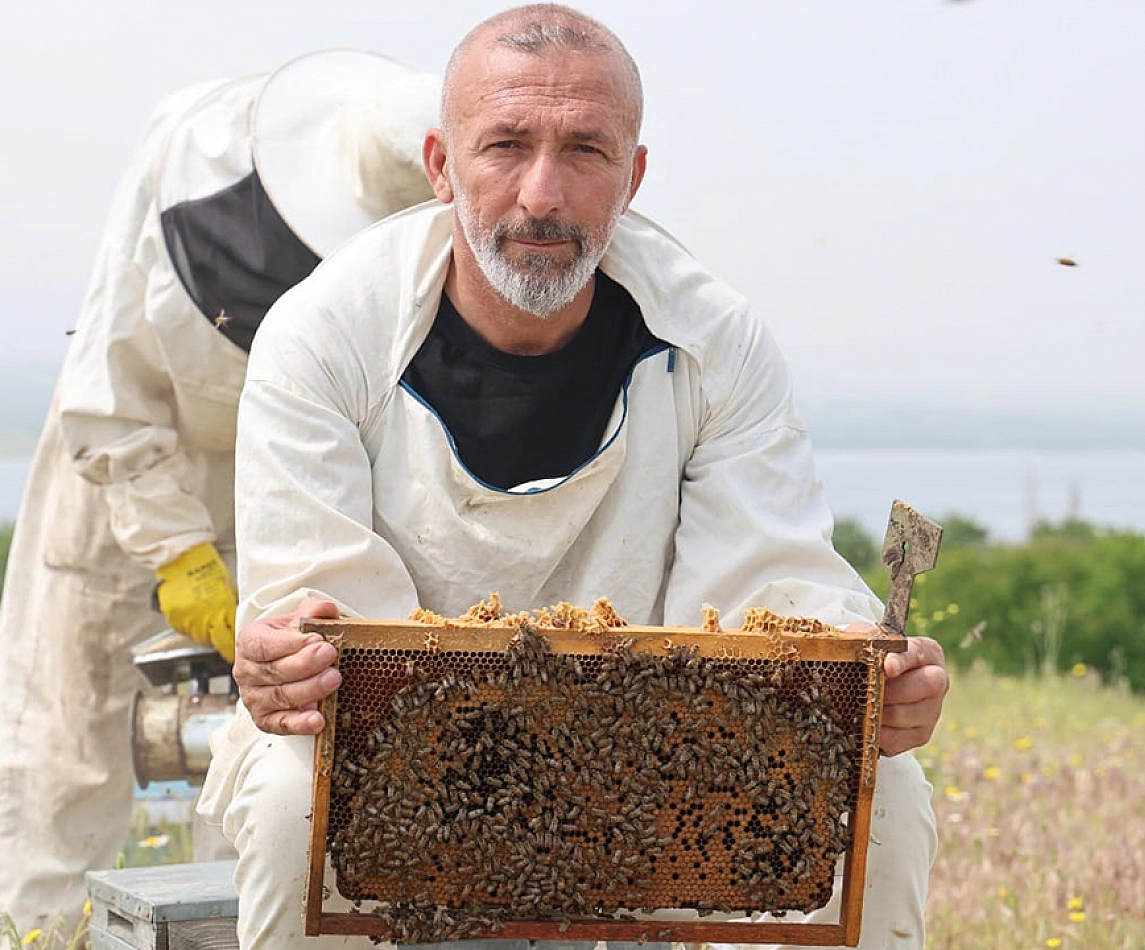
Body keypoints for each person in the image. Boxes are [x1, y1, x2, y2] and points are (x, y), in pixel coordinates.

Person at [196, 6, 948, 950]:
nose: (541, 194)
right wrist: (285, 661)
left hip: (658, 748)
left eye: (585, 151)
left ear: (631, 178)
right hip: (407, 753)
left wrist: (864, 673)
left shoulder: (715, 339)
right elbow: (325, 628)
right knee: (286, 798)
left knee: (880, 793)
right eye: (505, 145)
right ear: (439, 164)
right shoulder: (323, 335)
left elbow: (769, 587)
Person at [0, 51, 442, 945]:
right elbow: (107, 393)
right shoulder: (194, 149)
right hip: (125, 466)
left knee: (265, 756)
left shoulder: (418, 244)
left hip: (299, 486)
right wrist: (181, 553)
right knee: (62, 755)